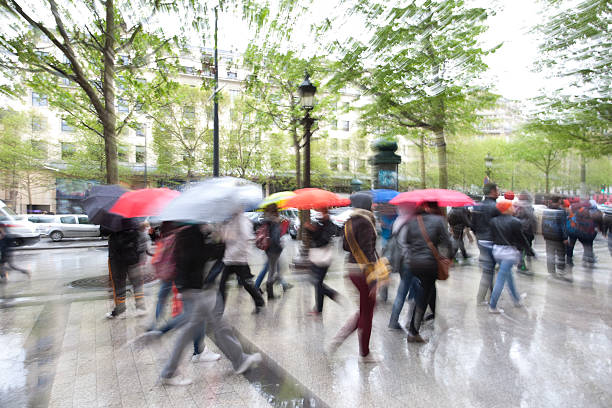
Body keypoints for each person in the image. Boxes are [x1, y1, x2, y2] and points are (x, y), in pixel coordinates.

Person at [159, 224, 261, 386]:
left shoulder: (191, 231)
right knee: (193, 330)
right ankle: (169, 372)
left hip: (198, 288)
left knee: (219, 325)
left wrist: (216, 241)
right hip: (195, 290)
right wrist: (219, 242)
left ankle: (239, 360)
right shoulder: (189, 233)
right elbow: (196, 258)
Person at [328, 192, 382, 363]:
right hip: (364, 272)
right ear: (366, 205)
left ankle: (338, 340)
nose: (373, 206)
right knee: (367, 314)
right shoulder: (366, 222)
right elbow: (367, 252)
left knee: (365, 310)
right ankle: (364, 354)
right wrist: (374, 281)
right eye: (371, 203)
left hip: (351, 269)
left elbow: (345, 246)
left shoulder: (349, 221)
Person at [402, 202, 452, 343]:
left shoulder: (411, 221)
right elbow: (447, 243)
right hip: (429, 264)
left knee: (427, 290)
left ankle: (431, 315)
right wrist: (448, 258)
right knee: (423, 297)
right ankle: (413, 331)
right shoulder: (438, 220)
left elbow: (407, 241)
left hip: (413, 263)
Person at [488, 200, 534, 313]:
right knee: (501, 279)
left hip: (497, 252)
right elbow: (521, 239)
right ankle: (492, 306)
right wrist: (530, 250)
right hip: (508, 254)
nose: (514, 207)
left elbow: (492, 237)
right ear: (507, 209)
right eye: (511, 206)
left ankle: (517, 300)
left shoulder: (493, 221)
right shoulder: (515, 222)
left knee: (509, 277)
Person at [219, 211, 265, 313]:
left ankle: (259, 302)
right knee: (222, 285)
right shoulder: (230, 221)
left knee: (247, 284)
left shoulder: (243, 221)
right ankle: (218, 310)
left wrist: (231, 239)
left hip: (239, 259)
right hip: (230, 259)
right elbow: (226, 238)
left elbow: (245, 239)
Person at [105, 221, 146, 319]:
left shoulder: (110, 217)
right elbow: (141, 236)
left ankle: (120, 309)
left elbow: (103, 231)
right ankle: (140, 308)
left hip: (117, 258)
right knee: (137, 282)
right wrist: (142, 255)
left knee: (119, 284)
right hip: (133, 256)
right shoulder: (134, 218)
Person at [304, 207, 339, 316]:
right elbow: (315, 237)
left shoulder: (329, 225)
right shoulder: (320, 223)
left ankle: (319, 308)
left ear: (327, 213)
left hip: (324, 258)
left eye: (322, 212)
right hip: (316, 257)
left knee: (317, 282)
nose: (320, 214)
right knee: (316, 282)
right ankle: (330, 295)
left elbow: (322, 241)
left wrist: (313, 230)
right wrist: (309, 229)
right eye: (320, 212)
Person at [388, 205, 418, 330]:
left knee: (409, 287)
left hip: (400, 260)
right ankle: (401, 321)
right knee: (405, 291)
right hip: (409, 261)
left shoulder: (398, 220)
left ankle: (398, 320)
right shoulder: (411, 222)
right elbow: (413, 243)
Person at [470, 183, 501, 305]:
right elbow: (499, 226)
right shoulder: (495, 207)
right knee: (489, 271)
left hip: (481, 241)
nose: (498, 192)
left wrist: (478, 236)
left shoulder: (477, 206)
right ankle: (482, 298)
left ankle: (490, 295)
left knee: (489, 269)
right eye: (497, 190)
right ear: (492, 191)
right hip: (491, 241)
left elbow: (473, 225)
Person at [261, 204, 289, 299]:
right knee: (276, 271)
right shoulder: (275, 221)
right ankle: (268, 291)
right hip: (274, 250)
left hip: (268, 249)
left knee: (273, 271)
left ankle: (270, 293)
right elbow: (276, 238)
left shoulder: (267, 219)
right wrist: (280, 246)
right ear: (275, 211)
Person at [566, 200, 602, 265]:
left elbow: (570, 217)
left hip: (573, 230)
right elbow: (598, 226)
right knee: (588, 246)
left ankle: (569, 260)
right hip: (586, 232)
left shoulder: (579, 210)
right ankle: (589, 262)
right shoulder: (595, 213)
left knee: (571, 245)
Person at [541, 196, 569, 279]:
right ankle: (560, 270)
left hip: (548, 236)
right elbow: (563, 225)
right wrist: (565, 237)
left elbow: (543, 223)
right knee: (561, 253)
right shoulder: (561, 211)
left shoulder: (546, 210)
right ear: (559, 201)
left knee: (550, 254)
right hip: (558, 236)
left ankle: (551, 272)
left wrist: (544, 234)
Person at [513, 191, 537, 274]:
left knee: (520, 247)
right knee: (523, 247)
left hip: (517, 228)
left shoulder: (515, 205)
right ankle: (521, 265)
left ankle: (521, 262)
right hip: (526, 229)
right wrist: (534, 229)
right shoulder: (527, 206)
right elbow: (532, 219)